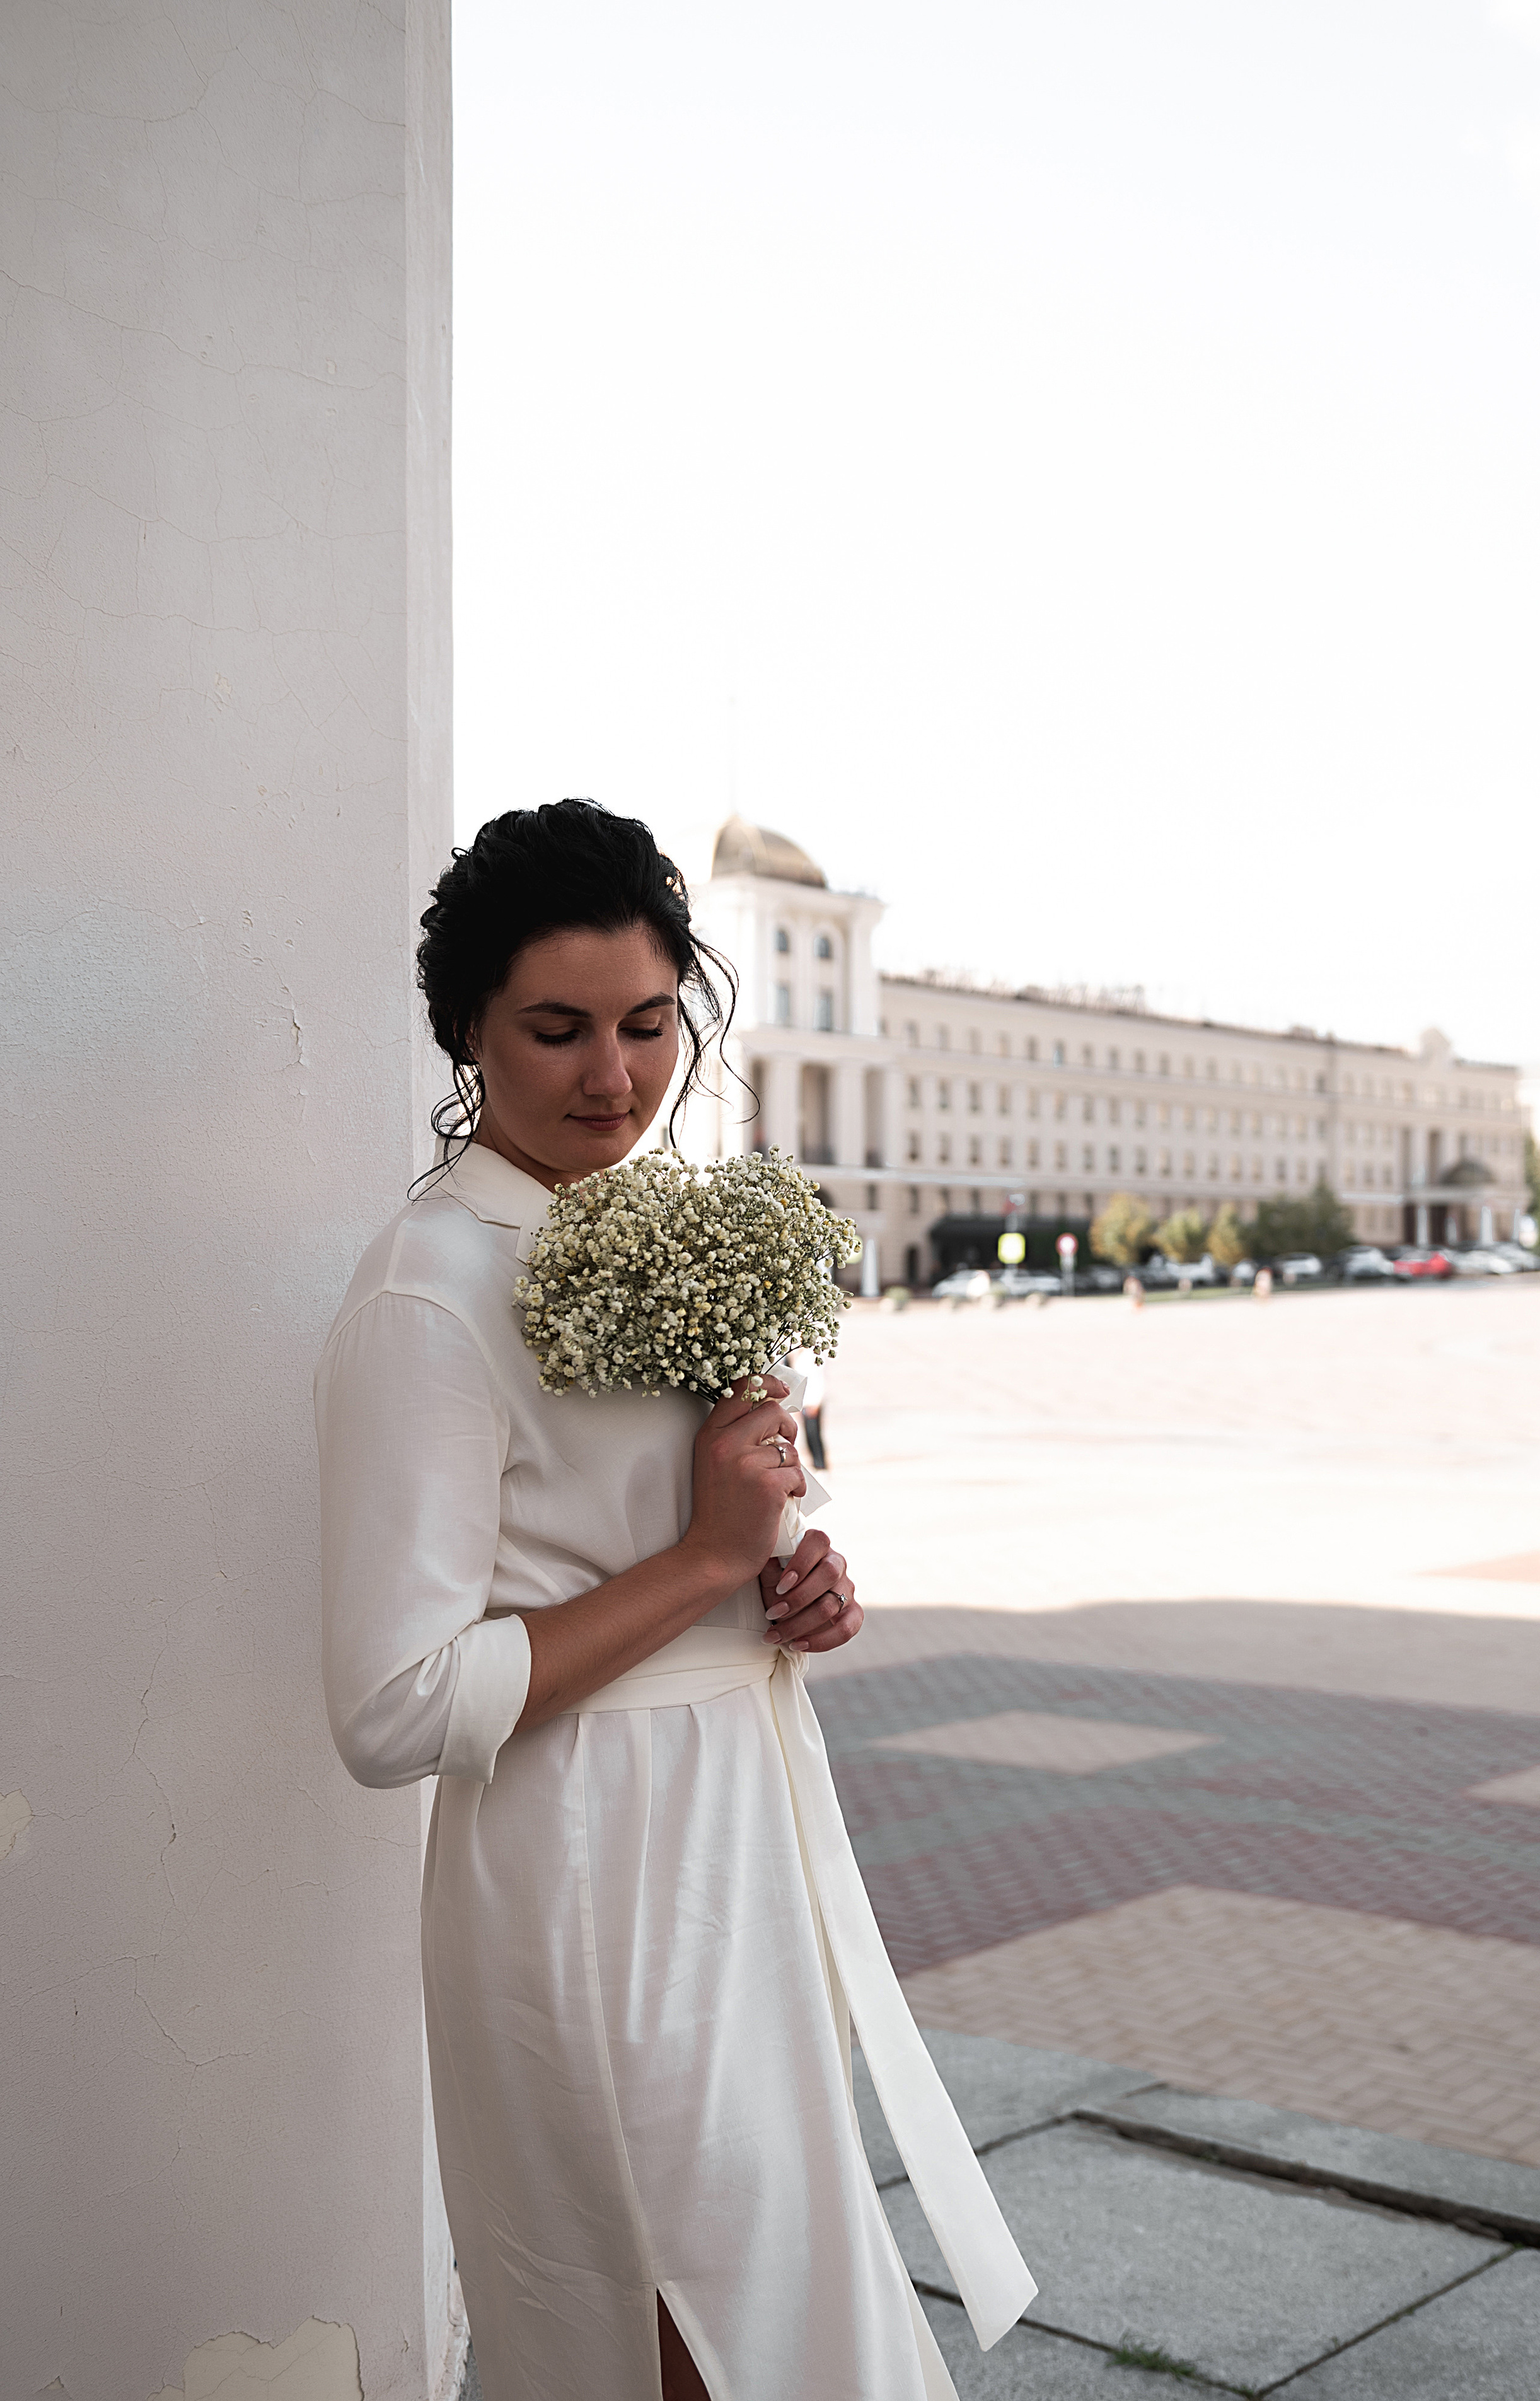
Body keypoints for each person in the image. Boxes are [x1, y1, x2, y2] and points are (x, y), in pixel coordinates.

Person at [315, 804, 1031, 2401]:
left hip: (735, 1845)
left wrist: (782, 1582)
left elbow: (687, 1538)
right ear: (467, 1031)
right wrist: (703, 1562)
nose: (611, 1077)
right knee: (666, 2318)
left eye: (647, 1025)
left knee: (780, 2288)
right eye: (555, 1029)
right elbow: (389, 1703)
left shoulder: (651, 1233)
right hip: (584, 1881)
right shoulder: (428, 1294)